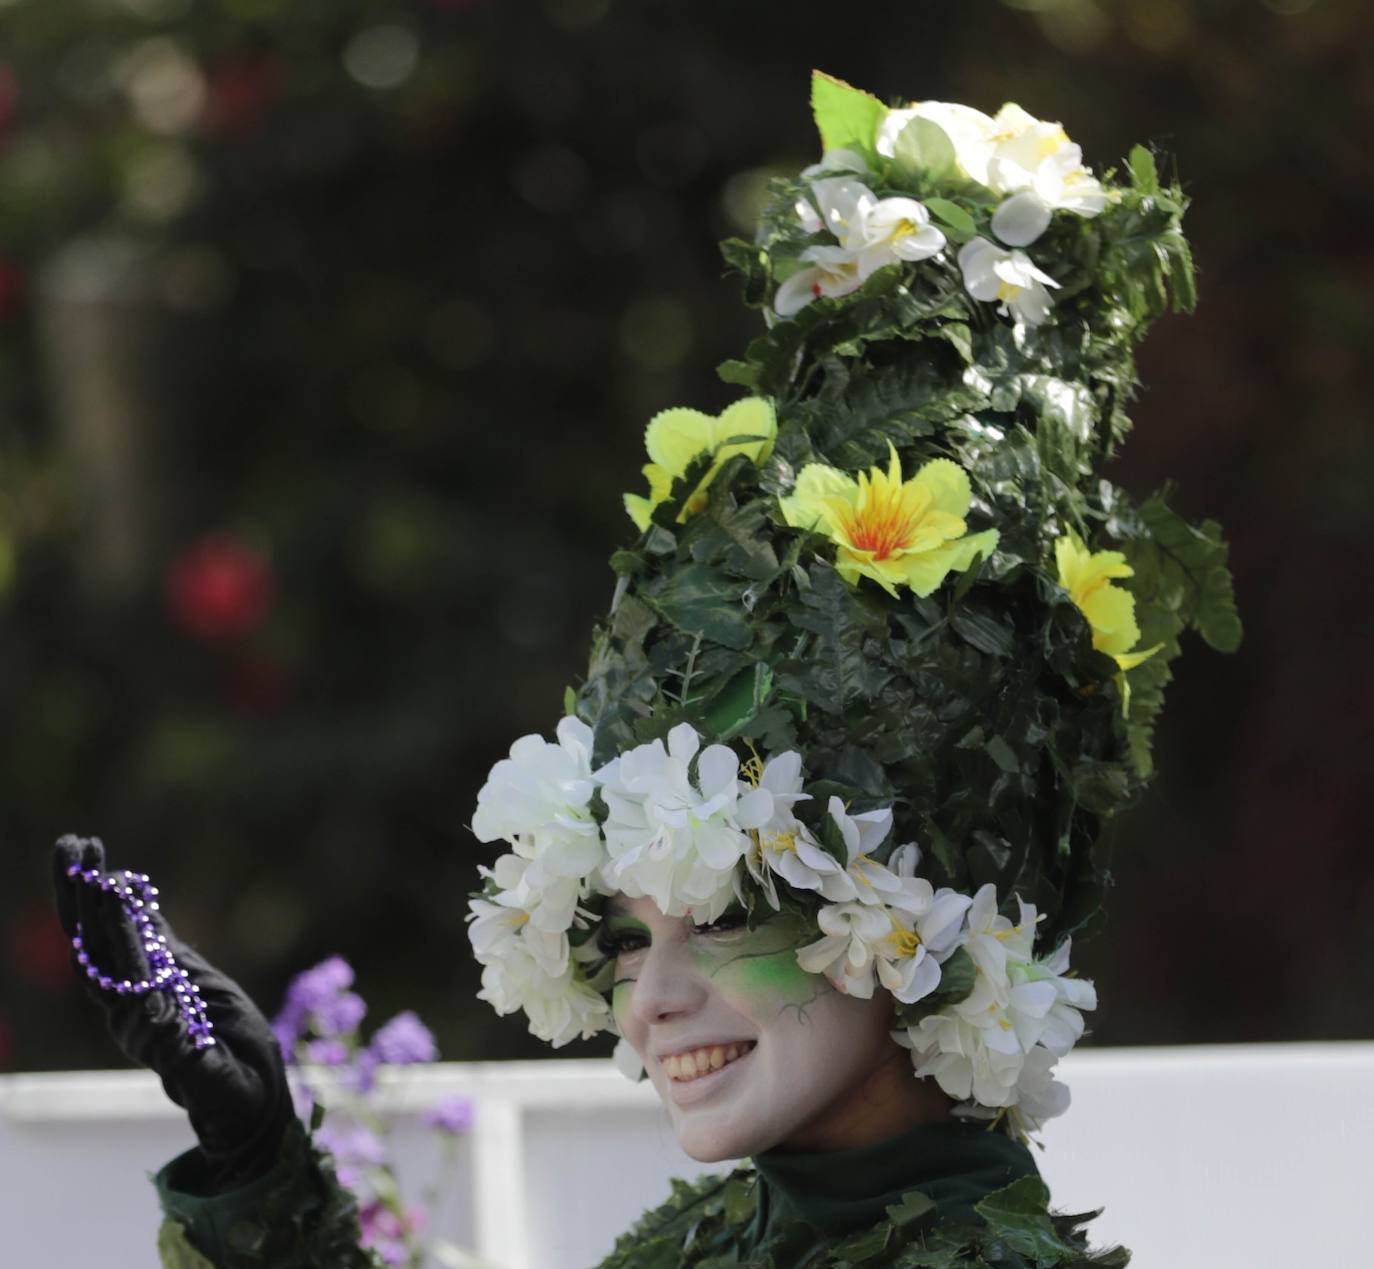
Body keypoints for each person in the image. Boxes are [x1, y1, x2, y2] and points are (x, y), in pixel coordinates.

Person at [54, 72, 1239, 1268]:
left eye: (722, 919)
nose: (648, 1002)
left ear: (914, 925)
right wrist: (256, 1160)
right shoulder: (720, 1231)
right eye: (623, 938)